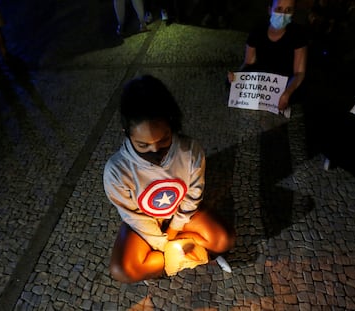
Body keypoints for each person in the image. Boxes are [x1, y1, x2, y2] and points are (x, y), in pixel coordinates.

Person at [103, 75, 235, 283]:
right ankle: (188, 256)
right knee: (123, 270)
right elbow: (133, 216)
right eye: (143, 145)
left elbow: (192, 195)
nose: (155, 150)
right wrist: (161, 243)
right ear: (126, 133)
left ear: (172, 124)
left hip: (181, 216)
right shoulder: (117, 170)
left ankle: (169, 259)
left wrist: (174, 229)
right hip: (144, 224)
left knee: (223, 240)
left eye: (164, 139)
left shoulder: (190, 151)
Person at [227, 0, 308, 112]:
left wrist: (287, 92)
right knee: (230, 84)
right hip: (263, 77)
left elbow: (299, 73)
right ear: (270, 10)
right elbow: (248, 63)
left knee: (297, 94)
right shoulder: (257, 30)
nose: (283, 14)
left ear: (293, 12)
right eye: (279, 9)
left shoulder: (298, 34)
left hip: (285, 80)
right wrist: (237, 77)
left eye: (288, 10)